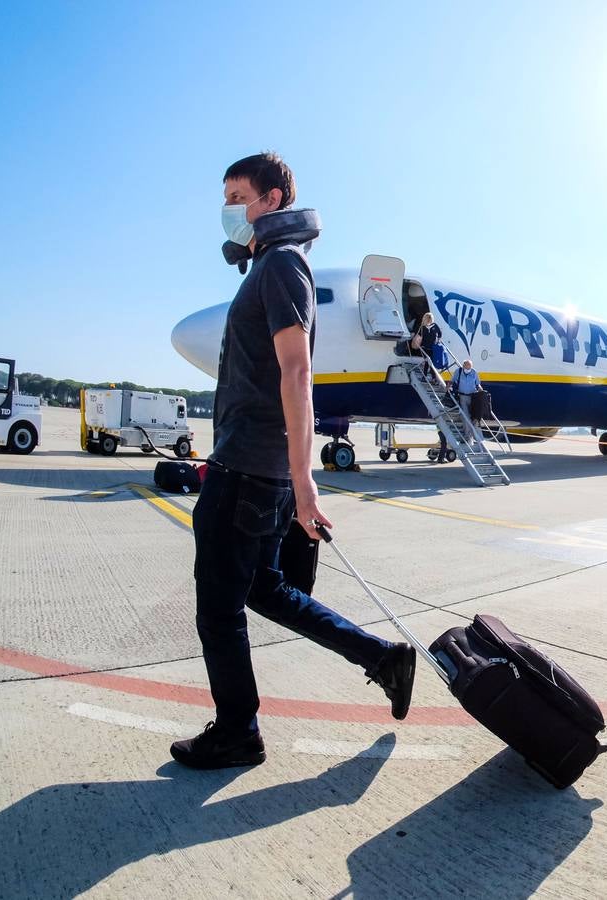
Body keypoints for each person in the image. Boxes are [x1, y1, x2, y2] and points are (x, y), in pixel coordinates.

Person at [171, 153, 416, 770]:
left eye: (238, 195)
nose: (229, 208)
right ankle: (381, 657)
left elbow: (298, 370)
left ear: (274, 199)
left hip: (249, 469)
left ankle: (237, 731)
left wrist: (304, 484)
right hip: (257, 464)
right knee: (266, 590)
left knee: (218, 607)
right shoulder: (269, 265)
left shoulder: (281, 267)